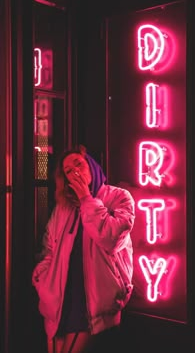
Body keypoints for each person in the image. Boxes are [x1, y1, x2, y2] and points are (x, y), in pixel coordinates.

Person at [32, 144, 135, 353]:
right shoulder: (63, 207)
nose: (75, 171)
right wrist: (42, 278)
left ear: (91, 164)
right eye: (69, 171)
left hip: (94, 301)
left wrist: (87, 199)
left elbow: (112, 239)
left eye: (78, 164)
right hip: (59, 297)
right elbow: (48, 248)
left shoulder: (119, 197)